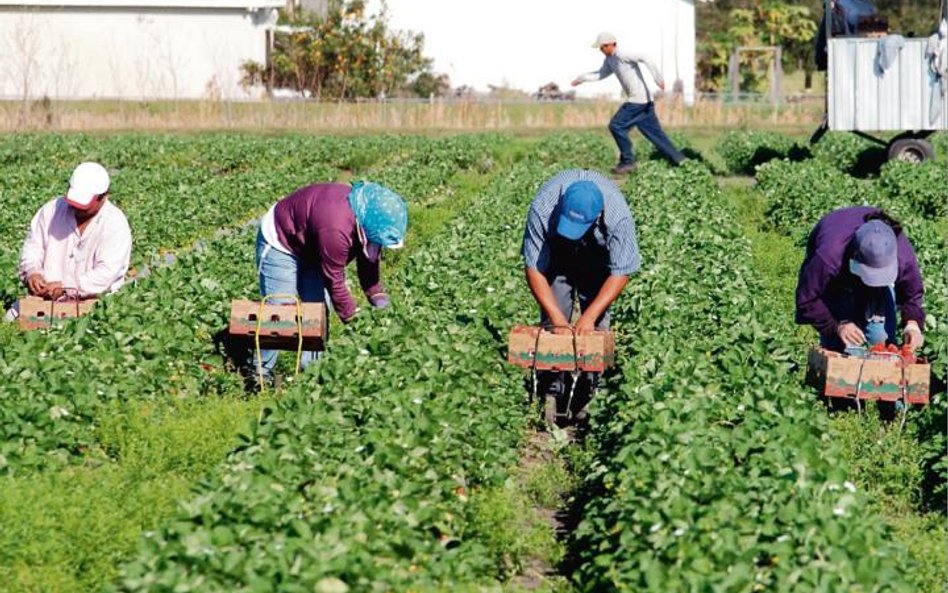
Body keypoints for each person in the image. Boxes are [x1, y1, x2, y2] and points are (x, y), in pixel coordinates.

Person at [249, 180, 407, 380]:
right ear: (368, 226)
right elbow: (335, 281)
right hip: (282, 239)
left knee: (317, 312)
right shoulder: (337, 227)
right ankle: (260, 374)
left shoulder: (366, 218)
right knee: (280, 309)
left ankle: (311, 375)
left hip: (314, 245)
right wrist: (355, 320)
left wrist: (379, 299)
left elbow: (368, 264)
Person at [522, 169, 641, 423]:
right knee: (555, 325)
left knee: (595, 329)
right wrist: (557, 318)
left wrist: (589, 316)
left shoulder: (618, 216)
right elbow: (534, 268)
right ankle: (552, 390)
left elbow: (621, 271)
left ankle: (588, 392)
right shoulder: (544, 207)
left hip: (598, 260)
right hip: (557, 255)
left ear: (598, 216)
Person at [796, 206, 924, 353]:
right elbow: (807, 299)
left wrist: (912, 324)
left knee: (881, 340)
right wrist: (837, 326)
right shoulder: (828, 257)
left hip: (877, 289)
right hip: (838, 281)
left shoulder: (902, 254)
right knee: (843, 347)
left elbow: (912, 294)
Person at [12, 161, 131, 316]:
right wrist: (32, 272)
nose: (76, 208)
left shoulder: (115, 223)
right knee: (12, 320)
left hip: (95, 305)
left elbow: (105, 274)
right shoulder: (50, 211)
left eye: (84, 205)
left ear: (103, 197)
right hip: (44, 300)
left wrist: (66, 287)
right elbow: (32, 248)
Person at [571, 31, 686, 175]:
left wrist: (658, 78)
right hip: (645, 102)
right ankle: (680, 160)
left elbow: (646, 58)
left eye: (602, 47)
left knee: (616, 125)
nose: (601, 51)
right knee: (655, 134)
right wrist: (581, 78)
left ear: (610, 45)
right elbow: (601, 74)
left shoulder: (623, 54)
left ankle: (627, 162)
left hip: (637, 101)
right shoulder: (610, 60)